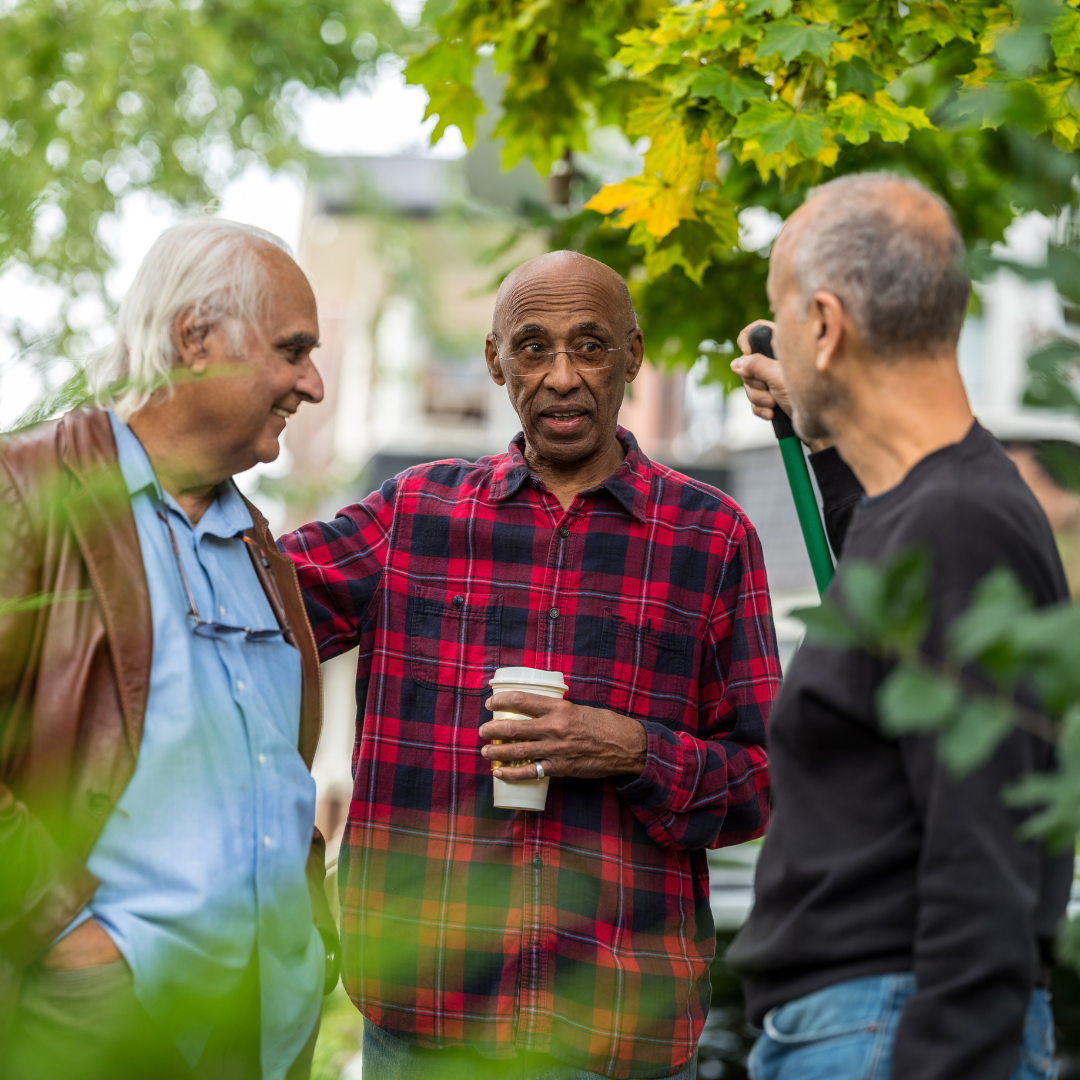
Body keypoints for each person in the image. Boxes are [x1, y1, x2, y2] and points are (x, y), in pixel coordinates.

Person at [281, 250, 780, 1079]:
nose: (560, 377)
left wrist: (630, 750)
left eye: (588, 346)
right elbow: (243, 596)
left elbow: (765, 779)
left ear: (632, 355)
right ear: (493, 360)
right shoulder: (413, 516)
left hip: (618, 1030)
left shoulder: (711, 538)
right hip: (425, 1022)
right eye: (532, 347)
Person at [725, 172, 1071, 1080]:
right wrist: (817, 430)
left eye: (783, 316)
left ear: (827, 327)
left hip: (888, 1027)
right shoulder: (935, 514)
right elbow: (882, 576)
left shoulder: (958, 528)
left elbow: (981, 859)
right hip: (864, 1025)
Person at [0, 218, 337, 1079]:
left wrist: (313, 936)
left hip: (267, 1029)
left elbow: (276, 771)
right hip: (108, 1021)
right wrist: (66, 938)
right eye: (292, 350)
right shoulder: (28, 491)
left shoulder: (264, 549)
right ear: (196, 339)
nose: (314, 383)